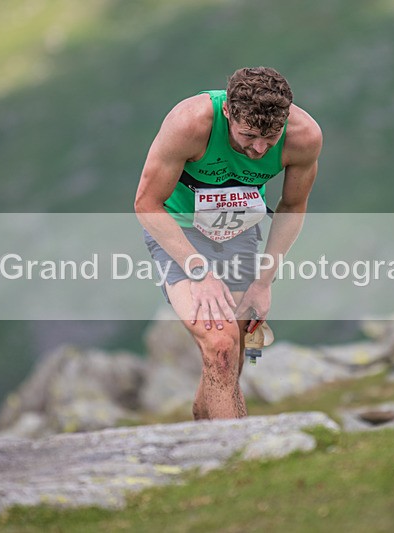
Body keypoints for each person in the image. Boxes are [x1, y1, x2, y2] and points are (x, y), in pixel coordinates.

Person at [134, 67, 322, 420]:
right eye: (248, 135)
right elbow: (146, 204)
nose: (259, 149)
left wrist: (263, 282)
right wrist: (199, 272)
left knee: (230, 358)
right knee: (219, 344)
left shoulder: (304, 136)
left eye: (271, 138)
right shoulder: (190, 123)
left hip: (239, 229)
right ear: (227, 113)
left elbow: (293, 206)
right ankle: (239, 459)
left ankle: (207, 436)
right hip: (179, 229)